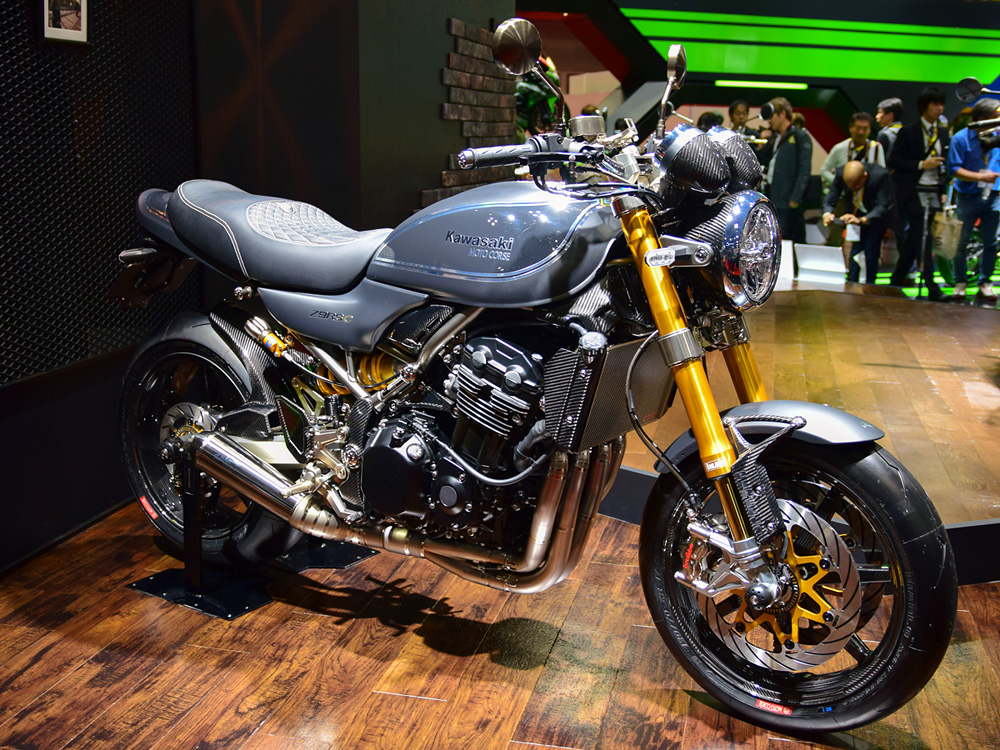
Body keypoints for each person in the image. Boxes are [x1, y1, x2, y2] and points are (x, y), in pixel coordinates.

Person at [888, 86, 949, 299]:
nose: (940, 108)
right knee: (923, 236)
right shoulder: (908, 131)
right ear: (925, 106)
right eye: (936, 104)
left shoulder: (943, 133)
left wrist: (944, 188)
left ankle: (896, 279)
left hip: (934, 190)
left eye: (942, 104)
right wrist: (922, 164)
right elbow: (894, 161)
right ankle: (933, 288)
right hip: (913, 190)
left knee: (916, 238)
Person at [946, 97, 1000, 300]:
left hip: (993, 195)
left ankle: (985, 282)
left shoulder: (997, 136)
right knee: (961, 242)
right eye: (995, 117)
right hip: (967, 196)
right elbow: (954, 169)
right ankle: (960, 281)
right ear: (983, 118)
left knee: (991, 242)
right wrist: (980, 177)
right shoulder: (961, 138)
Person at [822, 161, 896, 284]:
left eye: (856, 185)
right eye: (849, 185)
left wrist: (862, 220)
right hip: (856, 213)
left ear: (864, 176)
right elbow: (832, 195)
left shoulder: (880, 176)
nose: (852, 188)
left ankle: (870, 284)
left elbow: (883, 205)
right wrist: (827, 213)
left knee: (871, 251)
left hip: (875, 216)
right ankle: (853, 282)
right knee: (855, 250)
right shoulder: (841, 173)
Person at [758, 97, 812, 244]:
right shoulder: (773, 138)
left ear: (782, 114)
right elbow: (762, 160)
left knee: (787, 239)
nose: (769, 121)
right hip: (772, 196)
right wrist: (762, 145)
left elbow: (804, 169)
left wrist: (795, 198)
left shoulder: (800, 137)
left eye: (772, 116)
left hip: (788, 200)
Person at [820, 113, 885, 193]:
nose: (861, 132)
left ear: (870, 130)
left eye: (865, 129)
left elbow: (882, 173)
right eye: (858, 128)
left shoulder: (876, 148)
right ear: (851, 128)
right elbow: (824, 170)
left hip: (868, 195)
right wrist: (840, 184)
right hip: (844, 195)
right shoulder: (840, 148)